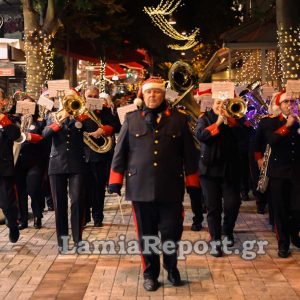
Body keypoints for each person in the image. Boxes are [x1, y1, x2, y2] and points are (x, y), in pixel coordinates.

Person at [108, 77, 200, 291]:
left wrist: (193, 182)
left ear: (163, 95)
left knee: (171, 232)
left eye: (157, 92)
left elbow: (189, 153)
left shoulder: (179, 119)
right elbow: (120, 152)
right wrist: (115, 180)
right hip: (140, 187)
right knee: (146, 234)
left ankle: (171, 266)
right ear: (143, 94)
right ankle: (150, 273)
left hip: (170, 187)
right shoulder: (131, 120)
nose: (152, 96)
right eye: (149, 92)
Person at [42, 93, 100, 252]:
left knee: (77, 201)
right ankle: (63, 241)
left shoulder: (80, 117)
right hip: (56, 164)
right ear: (62, 101)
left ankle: (77, 239)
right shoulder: (52, 116)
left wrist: (81, 116)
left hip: (76, 163)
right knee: (59, 203)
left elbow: (94, 129)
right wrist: (60, 121)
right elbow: (45, 135)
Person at [195, 98, 242, 257]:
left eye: (224, 104)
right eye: (218, 104)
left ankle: (227, 230)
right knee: (213, 208)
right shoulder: (204, 118)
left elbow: (244, 137)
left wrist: (231, 122)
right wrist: (218, 123)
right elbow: (201, 135)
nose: (221, 107)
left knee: (232, 204)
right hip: (209, 171)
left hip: (230, 169)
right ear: (212, 104)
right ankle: (215, 241)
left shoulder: (234, 118)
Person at [264, 91, 300, 258]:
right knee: (281, 210)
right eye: (286, 102)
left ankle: (294, 235)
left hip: (296, 173)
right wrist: (287, 126)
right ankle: (283, 244)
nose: (289, 105)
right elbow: (272, 140)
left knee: (296, 209)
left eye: (292, 102)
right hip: (279, 173)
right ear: (279, 105)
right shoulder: (271, 122)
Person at [83, 87, 121, 227]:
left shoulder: (105, 110)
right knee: (84, 188)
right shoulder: (79, 110)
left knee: (99, 188)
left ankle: (98, 217)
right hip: (83, 155)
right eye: (90, 95)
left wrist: (103, 130)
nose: (93, 98)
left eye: (95, 95)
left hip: (100, 155)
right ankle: (85, 217)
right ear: (84, 96)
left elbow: (116, 126)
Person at [14, 95, 46, 230]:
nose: (26, 108)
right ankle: (23, 219)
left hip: (34, 161)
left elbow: (43, 139)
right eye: (24, 105)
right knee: (20, 191)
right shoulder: (14, 121)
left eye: (29, 106)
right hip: (18, 161)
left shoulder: (39, 122)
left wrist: (29, 136)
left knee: (33, 189)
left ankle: (38, 215)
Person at [0, 92, 21, 243]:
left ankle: (13, 224)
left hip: (3, 169)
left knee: (7, 204)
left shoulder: (8, 119)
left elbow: (16, 136)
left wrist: (3, 120)